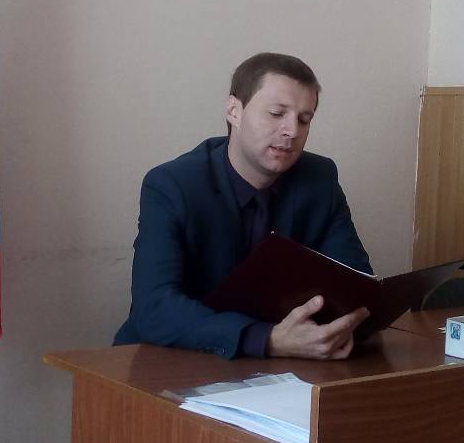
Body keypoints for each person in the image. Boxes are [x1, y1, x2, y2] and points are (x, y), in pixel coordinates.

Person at [114, 52, 372, 360]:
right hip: (168, 359)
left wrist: (328, 329)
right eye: (277, 113)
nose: (292, 131)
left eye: (304, 119)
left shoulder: (320, 179)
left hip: (282, 366)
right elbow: (155, 306)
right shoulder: (172, 185)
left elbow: (356, 285)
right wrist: (268, 339)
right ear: (234, 112)